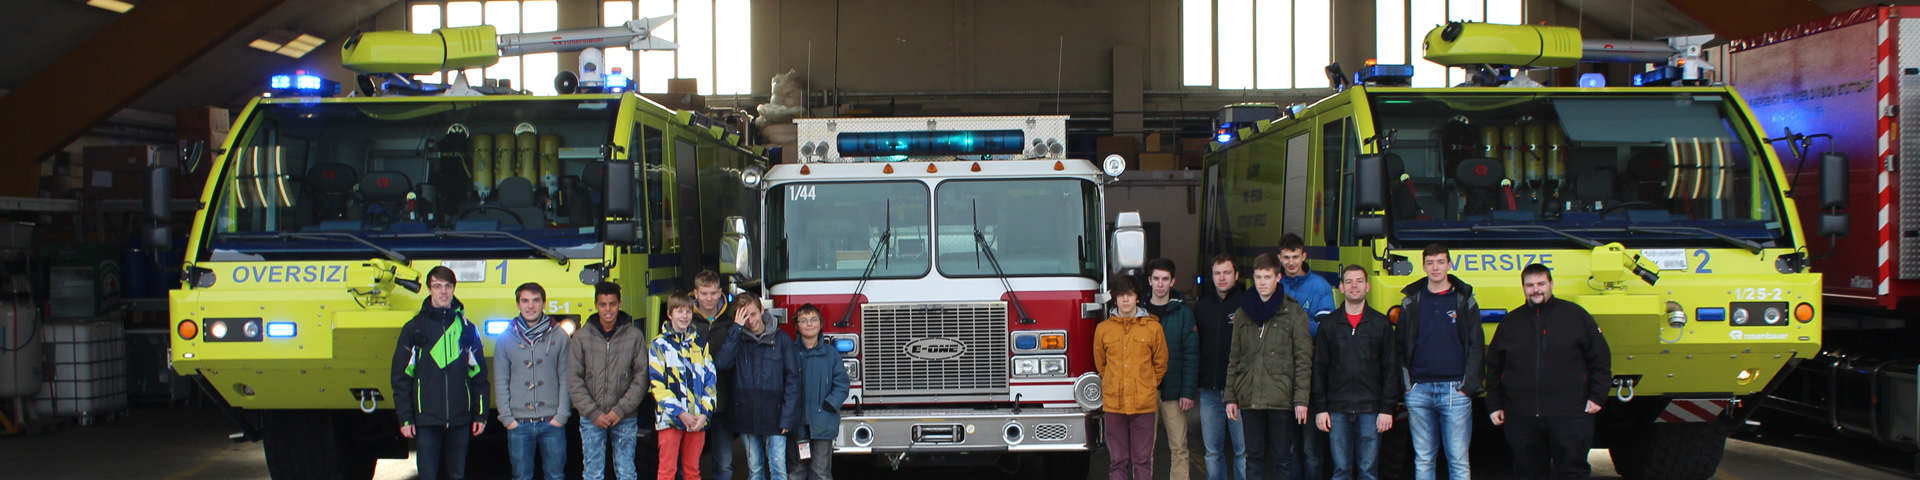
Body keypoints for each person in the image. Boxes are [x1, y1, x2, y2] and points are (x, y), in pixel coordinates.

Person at [1486, 264, 1612, 480]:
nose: (1536, 290)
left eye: (1541, 284)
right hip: (1521, 416)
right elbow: (1495, 367)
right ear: (1523, 288)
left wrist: (1597, 397)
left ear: (1551, 284)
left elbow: (1600, 359)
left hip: (1569, 415)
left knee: (1573, 473)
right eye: (1530, 285)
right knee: (1527, 473)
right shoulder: (1510, 322)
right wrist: (1495, 404)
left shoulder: (1575, 316)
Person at [1395, 243, 1484, 480]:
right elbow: (1400, 346)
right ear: (1423, 266)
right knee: (1424, 459)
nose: (1435, 268)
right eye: (1430, 262)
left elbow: (1477, 345)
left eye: (1441, 262)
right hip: (1419, 390)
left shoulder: (1465, 300)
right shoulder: (1410, 301)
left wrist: (1468, 386)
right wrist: (1407, 385)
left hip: (1456, 390)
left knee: (1458, 459)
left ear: (1449, 264)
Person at [391, 267, 488, 480]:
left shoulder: (467, 329)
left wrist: (481, 414)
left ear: (453, 289)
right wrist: (405, 418)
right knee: (427, 476)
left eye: (447, 286)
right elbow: (401, 378)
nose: (443, 291)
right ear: (429, 290)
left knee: (456, 475)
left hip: (460, 419)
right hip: (426, 420)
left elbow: (479, 376)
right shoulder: (414, 328)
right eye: (437, 286)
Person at [1225, 253, 1314, 480]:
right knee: (1253, 456)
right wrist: (1231, 397)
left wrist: (1301, 400)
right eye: (1258, 277)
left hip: (1281, 399)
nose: (1262, 282)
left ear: (1278, 278)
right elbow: (1234, 357)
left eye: (1267, 277)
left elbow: (1303, 360)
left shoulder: (1294, 312)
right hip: (1250, 395)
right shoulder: (1243, 312)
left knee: (1283, 458)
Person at [1311, 266, 1399, 480]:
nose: (1354, 286)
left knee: (1368, 472)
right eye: (1348, 281)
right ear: (1340, 287)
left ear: (1367, 286)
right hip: (1337, 409)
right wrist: (1321, 408)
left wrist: (1387, 408)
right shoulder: (1329, 325)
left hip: (1371, 408)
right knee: (1341, 471)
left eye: (1359, 281)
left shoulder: (1381, 324)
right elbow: (1319, 368)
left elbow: (1390, 368)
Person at [715, 293, 801, 480]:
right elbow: (722, 363)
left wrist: (787, 417)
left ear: (762, 310)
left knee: (778, 467)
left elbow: (792, 381)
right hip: (745, 415)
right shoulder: (737, 339)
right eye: (744, 316)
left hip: (776, 415)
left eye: (753, 314)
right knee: (755, 470)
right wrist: (736, 329)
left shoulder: (782, 340)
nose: (750, 320)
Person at [569, 282, 650, 480]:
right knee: (593, 473)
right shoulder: (581, 337)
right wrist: (593, 412)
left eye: (612, 304)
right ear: (596, 305)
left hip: (625, 416)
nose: (608, 310)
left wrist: (620, 409)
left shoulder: (634, 335)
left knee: (626, 472)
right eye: (603, 304)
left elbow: (642, 377)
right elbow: (573, 378)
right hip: (591, 417)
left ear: (619, 304)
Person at [494, 282, 572, 480]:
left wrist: (562, 415)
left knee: (555, 475)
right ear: (518, 304)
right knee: (521, 476)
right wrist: (507, 418)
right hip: (519, 424)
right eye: (525, 301)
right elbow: (501, 379)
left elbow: (566, 377)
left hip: (551, 422)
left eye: (536, 300)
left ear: (544, 303)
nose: (531, 306)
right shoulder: (505, 339)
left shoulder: (560, 336)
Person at [1094, 275, 1169, 480]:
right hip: (1114, 404)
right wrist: (1111, 382)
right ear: (1114, 298)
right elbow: (1101, 364)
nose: (1125, 299)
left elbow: (1160, 363)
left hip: (1144, 404)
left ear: (1137, 298)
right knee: (1117, 461)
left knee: (1142, 460)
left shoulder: (1153, 327)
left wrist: (1149, 384)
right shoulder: (1103, 329)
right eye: (1121, 295)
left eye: (1130, 294)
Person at [1278, 234, 1335, 480]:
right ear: (1279, 258)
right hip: (1280, 376)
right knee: (1289, 449)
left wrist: (1288, 323)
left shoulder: (1321, 286)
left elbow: (1325, 328)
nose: (1291, 262)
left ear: (1304, 256)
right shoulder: (1274, 284)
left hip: (1311, 375)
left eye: (1295, 257)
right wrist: (1306, 321)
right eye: (1286, 258)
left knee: (1312, 449)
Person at [1141, 258, 1200, 480]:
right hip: (1146, 391)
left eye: (1165, 279)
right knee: (1144, 449)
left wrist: (1187, 392)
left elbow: (1191, 355)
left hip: (1175, 393)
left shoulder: (1184, 313)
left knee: (1179, 447)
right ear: (1149, 281)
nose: (1160, 284)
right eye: (1156, 278)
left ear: (1172, 281)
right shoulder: (1140, 313)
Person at [650, 293, 718, 480]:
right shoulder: (659, 345)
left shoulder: (700, 344)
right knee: (666, 472)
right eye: (679, 311)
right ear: (669, 314)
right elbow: (657, 385)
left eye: (688, 311)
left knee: (692, 471)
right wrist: (681, 413)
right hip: (670, 419)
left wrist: (705, 413)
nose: (684, 316)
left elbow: (710, 381)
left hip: (697, 419)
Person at [1195, 254, 1249, 480]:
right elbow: (1195, 347)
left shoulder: (1247, 305)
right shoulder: (1201, 307)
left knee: (1243, 452)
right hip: (1209, 391)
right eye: (1217, 273)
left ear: (1236, 275)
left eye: (1227, 272)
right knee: (1212, 452)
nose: (1222, 278)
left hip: (1240, 391)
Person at [789, 304, 851, 480]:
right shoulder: (789, 353)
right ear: (796, 326)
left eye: (814, 319)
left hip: (823, 423)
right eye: (803, 320)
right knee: (796, 471)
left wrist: (830, 405)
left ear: (821, 323)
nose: (809, 324)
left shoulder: (831, 354)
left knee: (820, 472)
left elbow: (842, 384)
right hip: (796, 424)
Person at [690, 270, 741, 480]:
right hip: (693, 404)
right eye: (704, 293)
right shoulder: (686, 322)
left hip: (722, 402)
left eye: (713, 293)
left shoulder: (730, 323)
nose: (709, 298)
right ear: (695, 294)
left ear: (721, 293)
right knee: (689, 465)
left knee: (724, 464)